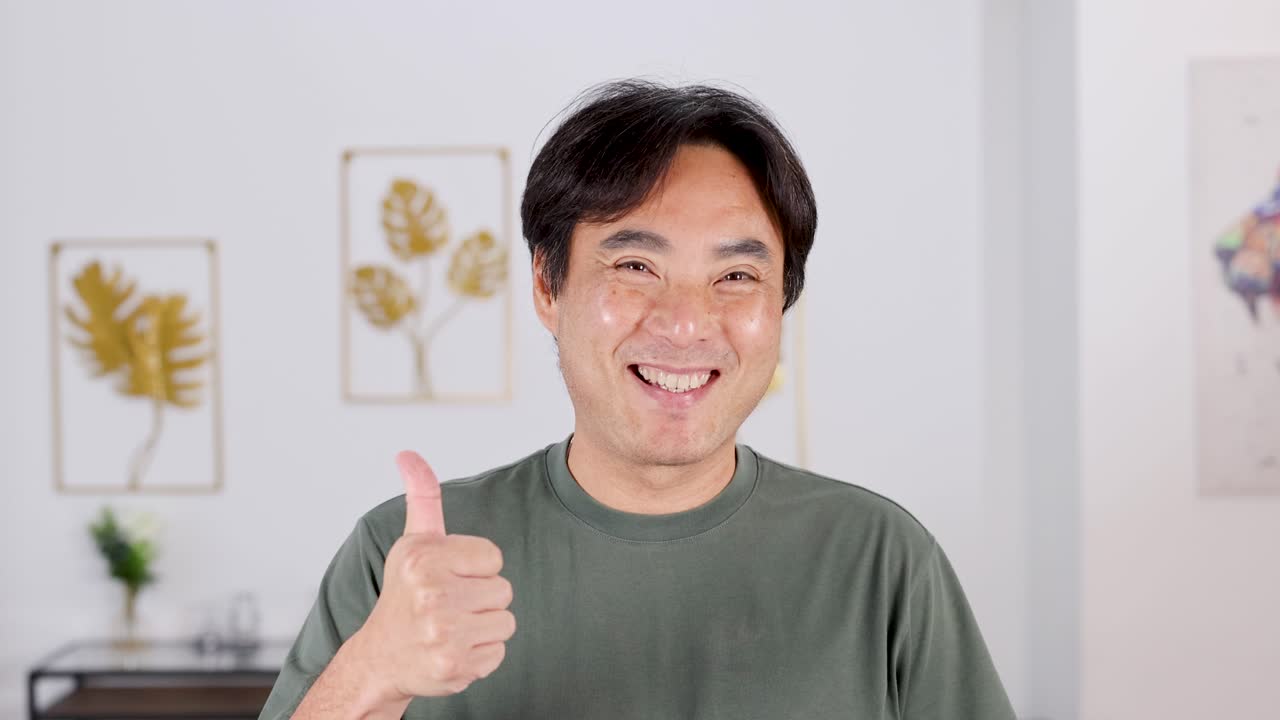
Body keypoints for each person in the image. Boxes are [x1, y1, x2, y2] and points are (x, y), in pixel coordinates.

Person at [260, 80, 1016, 720]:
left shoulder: (878, 558)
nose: (686, 323)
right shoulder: (408, 560)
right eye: (634, 265)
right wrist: (373, 674)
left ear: (780, 303)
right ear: (547, 286)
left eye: (736, 277)